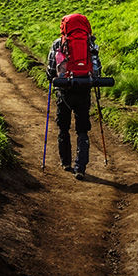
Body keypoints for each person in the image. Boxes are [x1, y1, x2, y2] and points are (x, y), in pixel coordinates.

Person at [46, 14, 102, 180]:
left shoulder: (58, 43)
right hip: (83, 92)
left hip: (64, 92)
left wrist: (52, 78)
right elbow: (97, 69)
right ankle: (80, 167)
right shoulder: (90, 43)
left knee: (63, 127)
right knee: (82, 130)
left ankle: (66, 162)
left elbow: (50, 70)